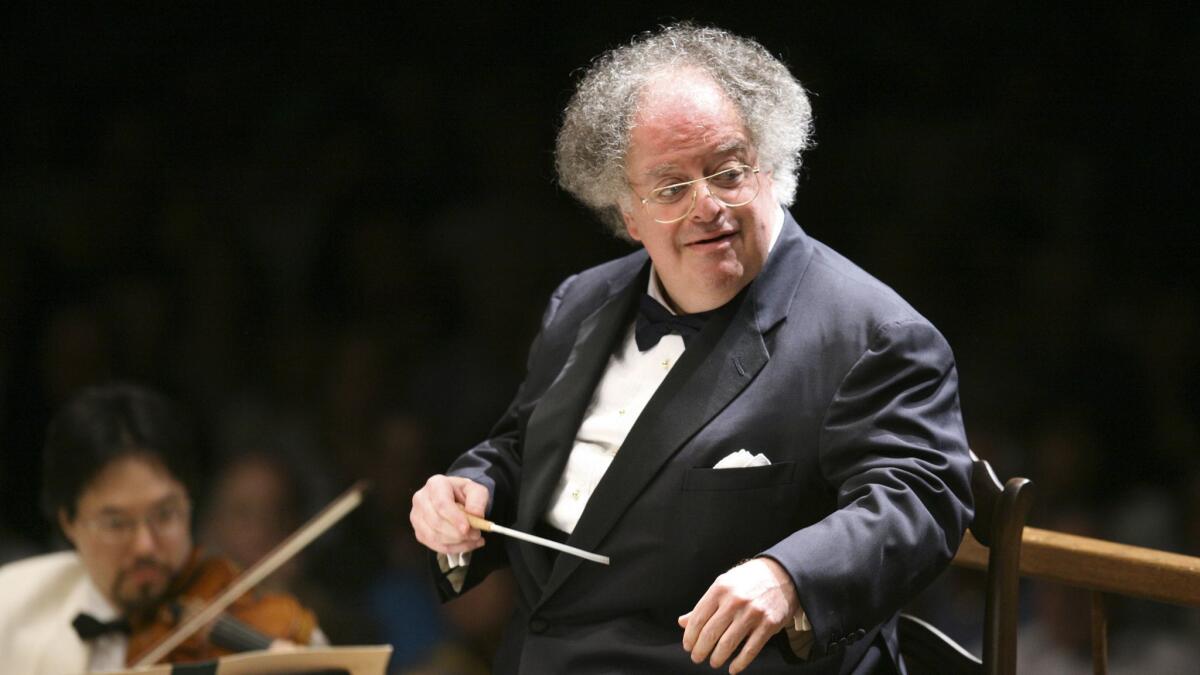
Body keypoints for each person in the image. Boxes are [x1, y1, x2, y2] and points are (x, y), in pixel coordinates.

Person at [410, 23, 973, 675]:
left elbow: (921, 495)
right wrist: (469, 489)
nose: (708, 206)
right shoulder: (581, 302)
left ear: (771, 164)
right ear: (627, 214)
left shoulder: (871, 331)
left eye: (728, 171)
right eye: (672, 188)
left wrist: (788, 575)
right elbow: (517, 447)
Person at [0, 383, 324, 673]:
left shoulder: (263, 622)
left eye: (165, 515)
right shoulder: (12, 609)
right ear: (68, 524)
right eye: (116, 523)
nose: (145, 545)